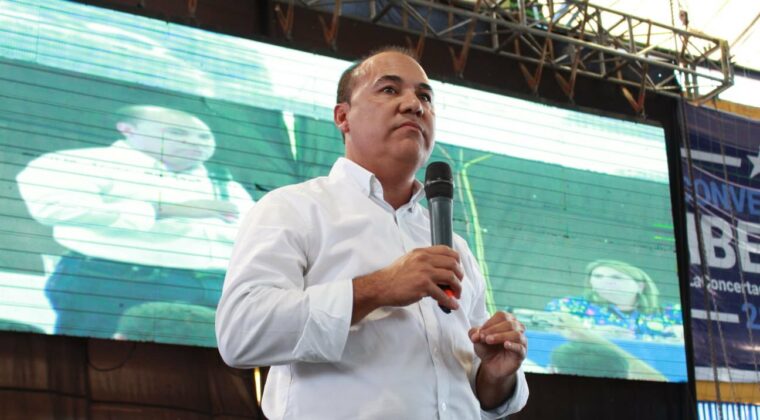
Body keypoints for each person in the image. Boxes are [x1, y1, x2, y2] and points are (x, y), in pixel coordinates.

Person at [216, 47, 528, 419]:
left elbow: (477, 389)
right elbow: (242, 333)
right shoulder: (293, 208)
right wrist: (379, 287)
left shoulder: (454, 244)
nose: (414, 105)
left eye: (425, 97)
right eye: (389, 90)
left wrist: (495, 375)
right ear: (343, 117)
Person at [16, 105, 254, 337]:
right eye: (177, 132)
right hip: (119, 281)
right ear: (127, 129)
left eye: (204, 136)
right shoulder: (83, 162)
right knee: (102, 360)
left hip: (216, 287)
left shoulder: (222, 181)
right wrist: (165, 210)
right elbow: (54, 208)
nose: (195, 141)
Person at [546, 259, 682, 339]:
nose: (605, 281)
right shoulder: (566, 306)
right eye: (598, 277)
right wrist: (593, 333)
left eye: (616, 277)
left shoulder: (673, 313)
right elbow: (548, 333)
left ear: (640, 286)